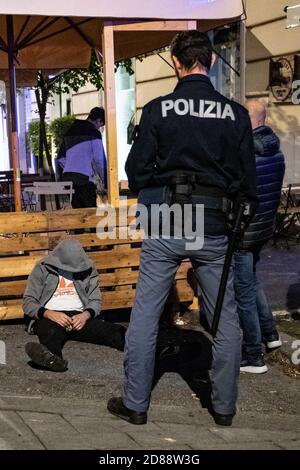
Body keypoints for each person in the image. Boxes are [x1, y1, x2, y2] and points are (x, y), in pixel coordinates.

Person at [107, 30, 257, 427]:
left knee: (145, 316)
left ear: (176, 62)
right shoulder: (235, 114)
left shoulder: (158, 109)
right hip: (214, 223)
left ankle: (136, 405)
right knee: (225, 319)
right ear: (209, 61)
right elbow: (248, 185)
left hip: (167, 219)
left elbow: (136, 172)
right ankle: (224, 409)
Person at [234, 100, 285, 374]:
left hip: (245, 231)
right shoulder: (276, 151)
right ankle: (271, 334)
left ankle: (253, 356)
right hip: (263, 228)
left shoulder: (248, 155)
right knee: (253, 282)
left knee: (243, 292)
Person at [23, 239, 126, 371]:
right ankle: (53, 361)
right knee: (50, 333)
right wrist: (49, 313)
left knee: (112, 331)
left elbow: (95, 300)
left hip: (79, 316)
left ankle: (144, 348)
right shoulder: (42, 267)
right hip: (50, 316)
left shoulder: (88, 268)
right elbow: (28, 302)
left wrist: (85, 315)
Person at [57, 107, 107, 208]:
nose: (99, 128)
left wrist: (72, 166)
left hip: (68, 178)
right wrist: (106, 181)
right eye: (100, 125)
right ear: (98, 120)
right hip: (84, 180)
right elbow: (99, 160)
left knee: (77, 214)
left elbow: (61, 158)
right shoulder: (94, 133)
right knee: (90, 214)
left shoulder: (70, 131)